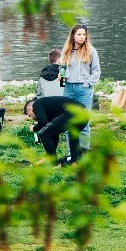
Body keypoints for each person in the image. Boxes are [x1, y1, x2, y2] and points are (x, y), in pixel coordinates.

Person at [59, 22, 100, 152]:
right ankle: (72, 153)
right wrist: (61, 79)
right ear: (73, 35)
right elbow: (62, 69)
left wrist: (87, 84)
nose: (82, 37)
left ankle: (84, 153)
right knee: (68, 120)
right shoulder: (66, 51)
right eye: (79, 34)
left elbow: (96, 71)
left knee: (83, 122)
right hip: (68, 89)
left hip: (83, 89)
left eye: (84, 34)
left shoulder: (91, 51)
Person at [25, 94, 82, 163]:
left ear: (30, 109)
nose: (32, 118)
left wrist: (34, 128)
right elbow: (53, 133)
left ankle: (53, 163)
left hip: (73, 112)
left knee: (43, 133)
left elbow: (43, 122)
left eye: (29, 115)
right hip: (83, 112)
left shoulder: (36, 104)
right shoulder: (49, 109)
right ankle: (74, 162)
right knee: (72, 136)